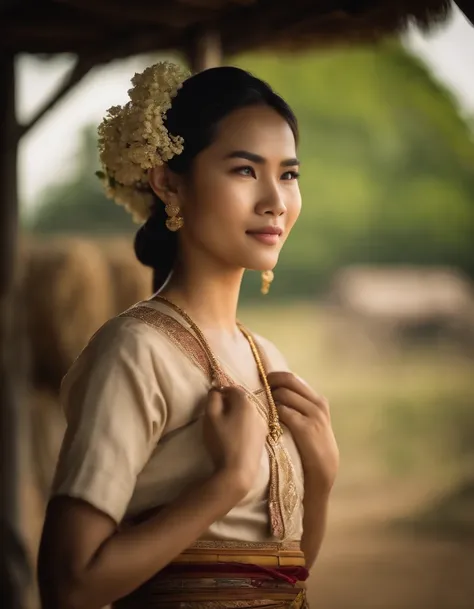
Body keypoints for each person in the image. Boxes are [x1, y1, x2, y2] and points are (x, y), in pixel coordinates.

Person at [37, 62, 339, 609]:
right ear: (168, 181)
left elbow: (285, 579)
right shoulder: (135, 351)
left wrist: (321, 479)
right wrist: (224, 485)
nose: (275, 198)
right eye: (245, 171)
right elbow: (68, 585)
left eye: (288, 174)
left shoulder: (266, 358)